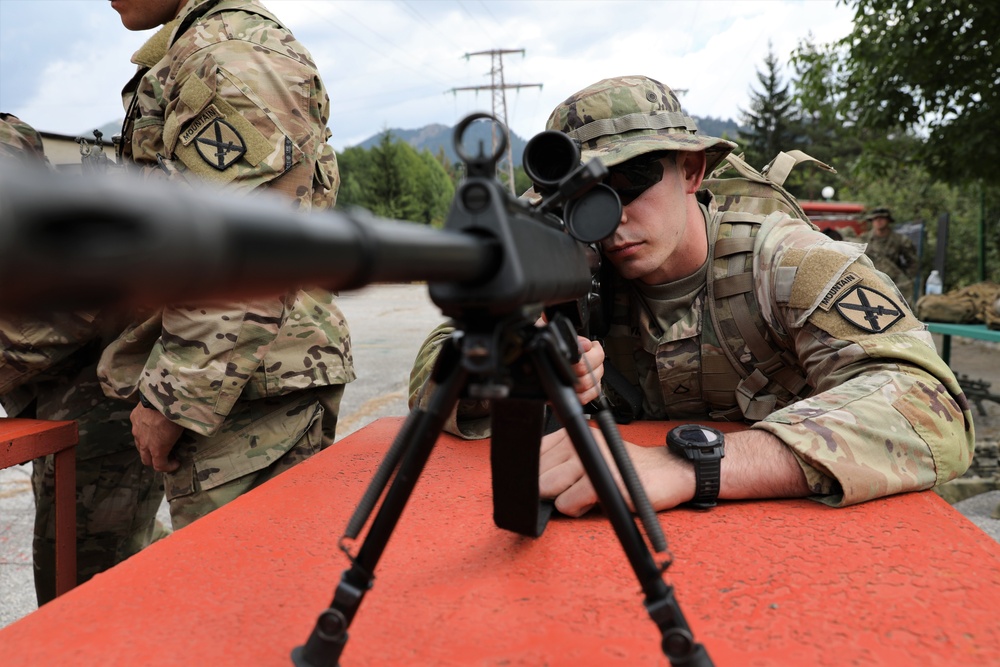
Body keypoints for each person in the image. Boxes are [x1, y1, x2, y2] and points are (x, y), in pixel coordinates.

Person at [409, 75, 973, 518]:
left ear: (692, 170)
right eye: (583, 197)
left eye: (632, 180)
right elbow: (434, 374)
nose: (612, 216)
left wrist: (692, 465)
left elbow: (931, 406)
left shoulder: (787, 263)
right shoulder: (576, 268)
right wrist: (512, 365)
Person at [100, 0, 354, 529]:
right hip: (245, 382)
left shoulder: (225, 56)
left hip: (246, 391)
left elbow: (248, 250)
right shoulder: (207, 47)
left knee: (244, 601)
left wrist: (172, 398)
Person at [0, 112, 168, 605]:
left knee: (84, 596)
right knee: (98, 572)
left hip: (97, 412)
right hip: (62, 409)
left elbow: (72, 306)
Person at [859, 206, 918, 301]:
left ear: (888, 220)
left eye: (882, 218)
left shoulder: (900, 240)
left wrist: (905, 277)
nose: (878, 221)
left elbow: (912, 262)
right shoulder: (863, 239)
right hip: (869, 280)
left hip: (893, 282)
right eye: (875, 219)